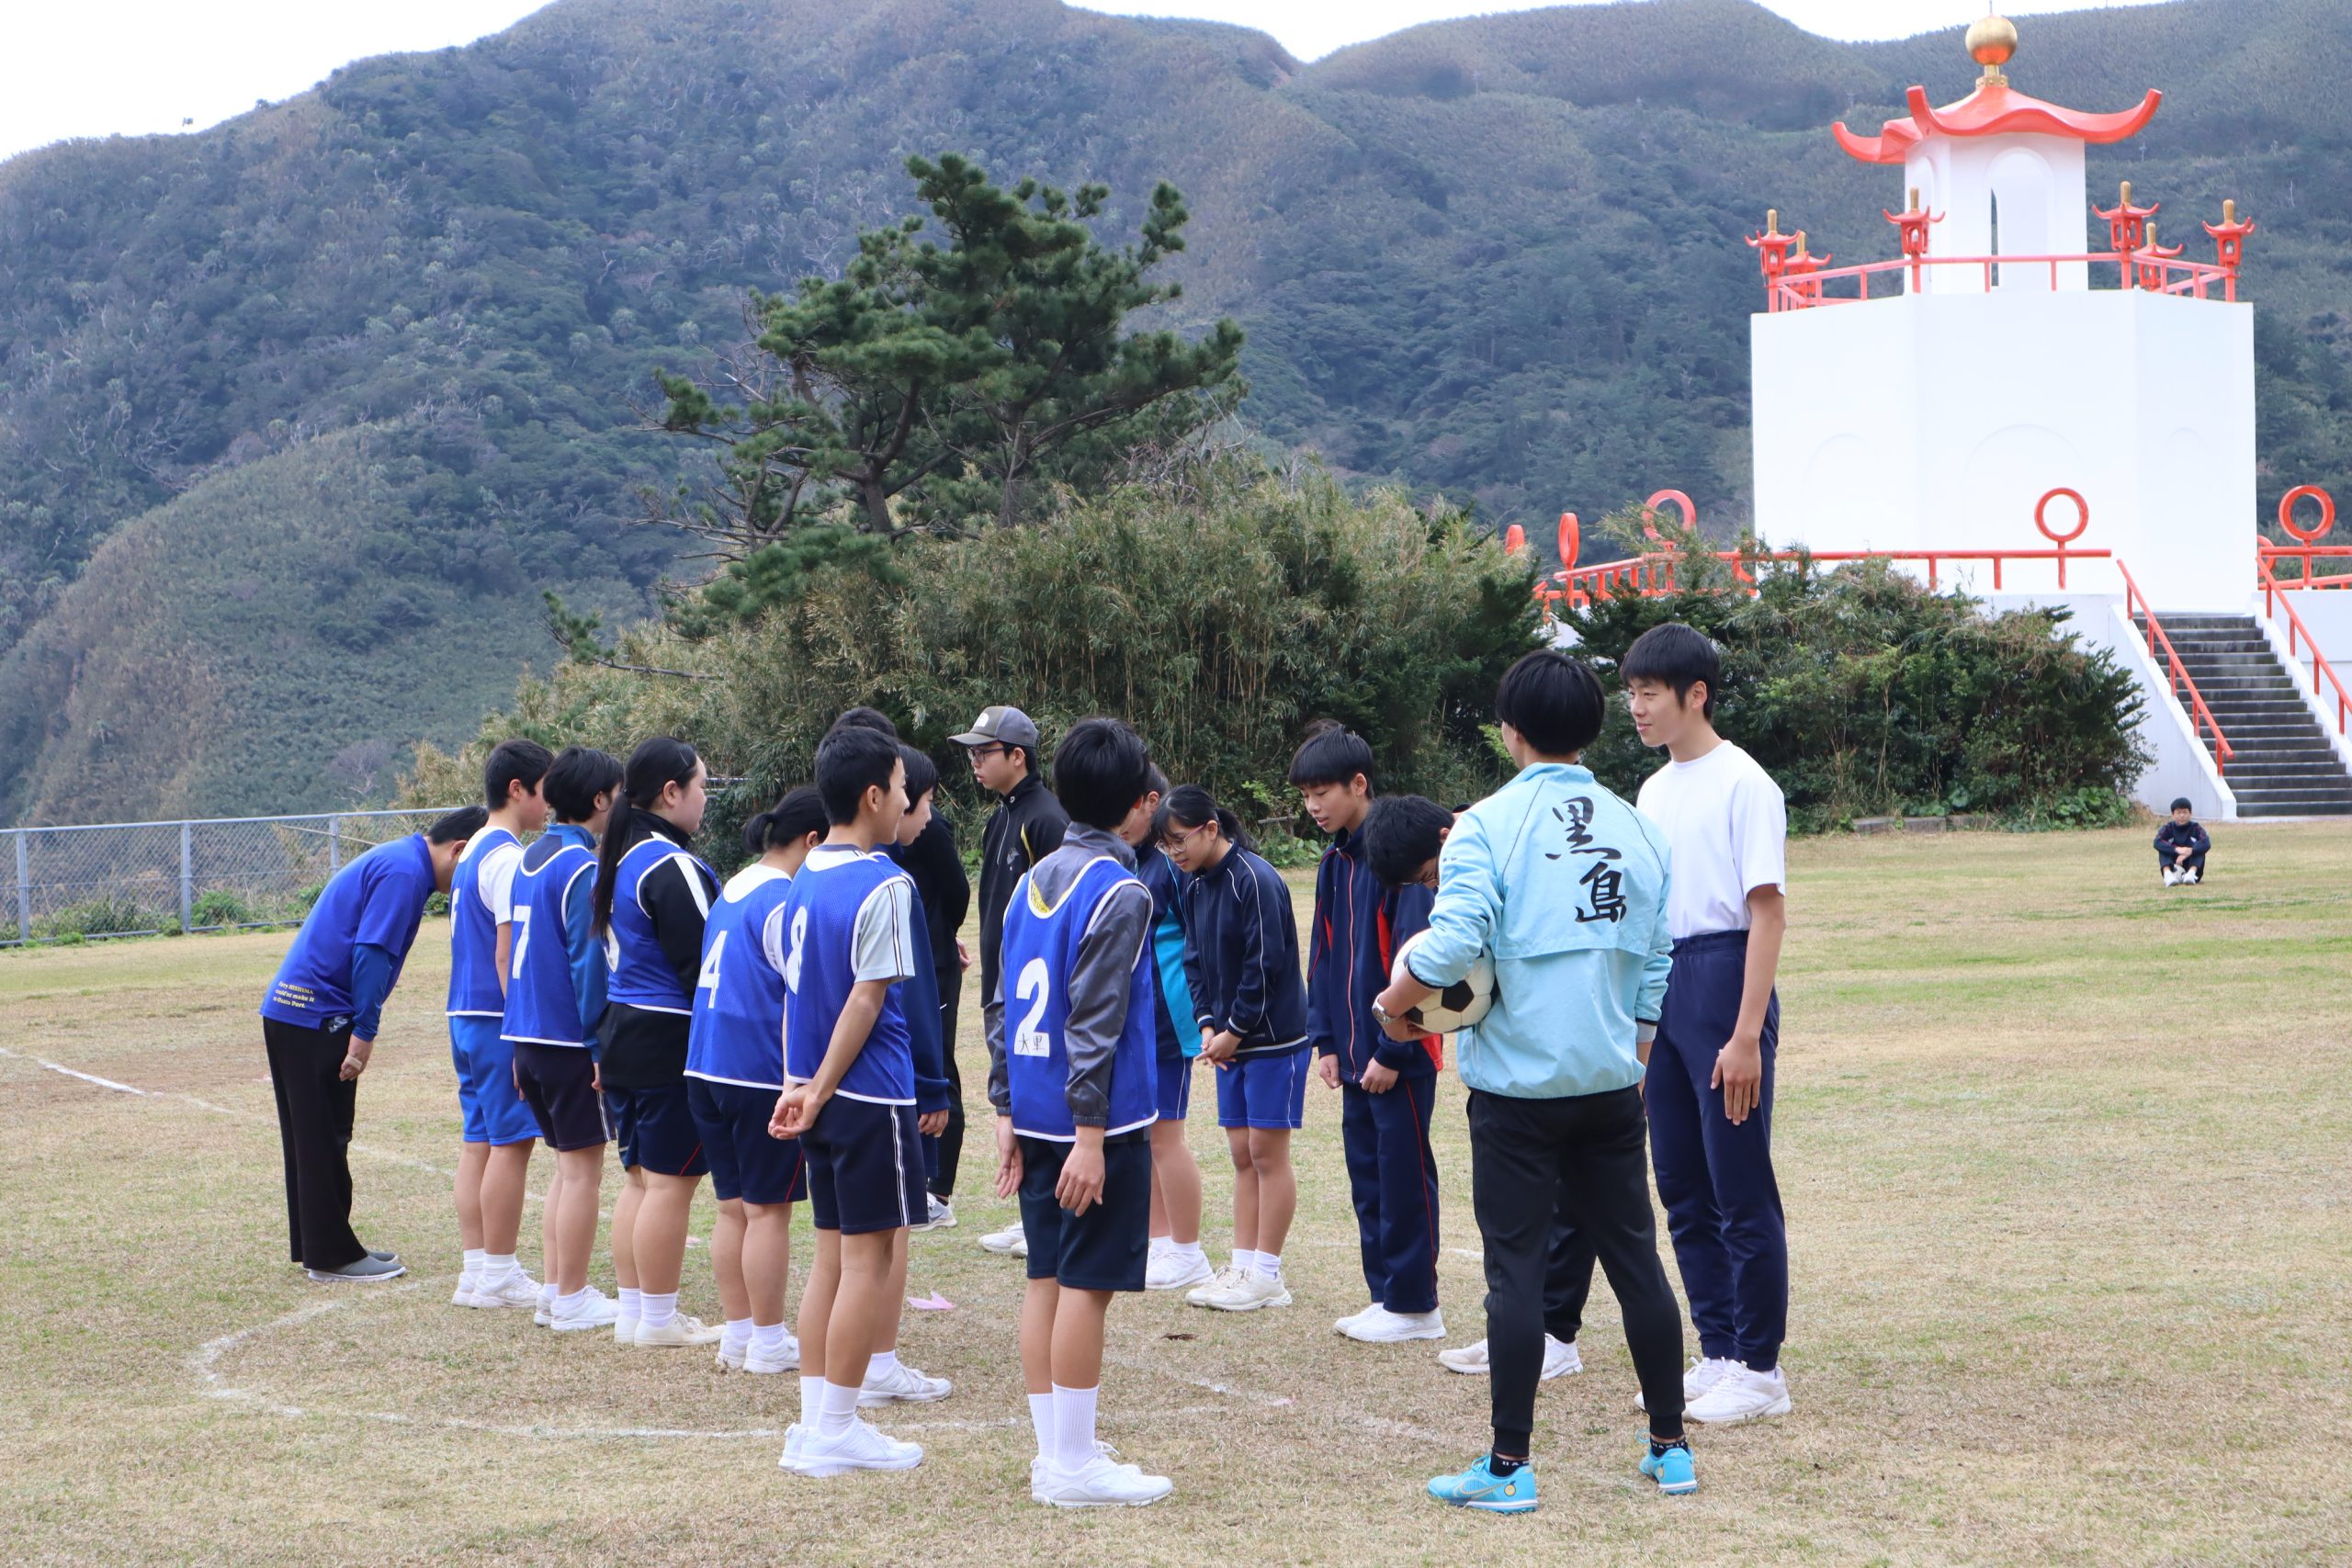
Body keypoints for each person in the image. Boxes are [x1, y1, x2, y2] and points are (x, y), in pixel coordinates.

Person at [1374, 649, 1692, 1509]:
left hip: (1516, 1093)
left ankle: (1510, 1466)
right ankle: (1671, 1448)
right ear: (1592, 725)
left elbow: (1452, 942)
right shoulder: (1638, 827)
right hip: (1608, 1084)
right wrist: (1635, 1055)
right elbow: (1657, 959)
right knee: (1637, 1261)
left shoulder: (1484, 823)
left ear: (1510, 730)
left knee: (1514, 1273)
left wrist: (1392, 1004)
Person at [988, 717, 1176, 1507]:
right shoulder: (1121, 891)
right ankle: (1070, 1466)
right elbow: (1095, 1023)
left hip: (1036, 1112)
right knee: (1084, 1288)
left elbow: (1002, 1002)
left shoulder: (1030, 880)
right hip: (1090, 1125)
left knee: (1046, 1277)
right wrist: (1092, 1140)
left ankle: (1057, 1450)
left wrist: (1005, 1107)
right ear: (1138, 803)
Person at [1625, 622, 1793, 1427]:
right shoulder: (1652, 790)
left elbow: (1768, 912)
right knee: (1682, 1184)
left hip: (1724, 980)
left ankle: (1761, 1369)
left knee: (1739, 1185)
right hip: (1665, 979)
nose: (1637, 707)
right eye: (1630, 693)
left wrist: (1745, 1033)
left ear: (1696, 694)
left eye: (1650, 693)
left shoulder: (1746, 783)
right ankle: (1719, 1348)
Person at [1363, 795, 1589, 1384]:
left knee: (1568, 1202)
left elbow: (1453, 947)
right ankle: (1516, 1331)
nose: (1434, 889)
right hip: (1502, 1060)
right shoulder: (1480, 843)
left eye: (1429, 877)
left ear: (1446, 839)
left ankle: (1556, 1335)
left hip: (1556, 1048)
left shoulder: (1506, 843)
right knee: (1508, 1210)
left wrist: (1391, 1008)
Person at [772, 727, 933, 1477]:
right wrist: (823, 1085)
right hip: (869, 1096)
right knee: (868, 1261)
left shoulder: (803, 873)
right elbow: (866, 999)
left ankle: (816, 1422)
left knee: (831, 1259)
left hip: (820, 1092)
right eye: (901, 786)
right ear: (873, 796)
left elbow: (793, 994)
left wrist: (797, 1082)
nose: (905, 799)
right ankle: (836, 1427)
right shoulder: (886, 883)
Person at [260, 806, 485, 1282]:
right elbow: (372, 954)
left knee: (314, 1137)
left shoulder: (401, 860)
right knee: (324, 1137)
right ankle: (331, 1257)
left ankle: (322, 1245)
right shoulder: (405, 873)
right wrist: (364, 1033)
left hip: (294, 1012)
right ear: (460, 850)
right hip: (317, 1014)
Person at [1294, 724, 1445, 1347]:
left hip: (1399, 1054)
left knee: (1403, 1175)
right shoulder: (1333, 863)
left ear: (1359, 784)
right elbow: (1324, 956)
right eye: (1305, 795)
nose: (1314, 806)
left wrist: (1390, 1049)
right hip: (1354, 1054)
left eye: (1323, 791)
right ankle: (1385, 1294)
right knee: (1367, 1175)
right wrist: (1326, 1041)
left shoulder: (1399, 856)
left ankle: (1416, 1304)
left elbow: (1419, 962)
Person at [589, 738, 724, 1348]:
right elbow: (708, 968)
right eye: (701, 786)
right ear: (671, 793)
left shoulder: (618, 859)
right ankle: (659, 1319)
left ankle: (635, 1312)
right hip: (665, 1036)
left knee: (640, 1180)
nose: (705, 798)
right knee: (669, 1183)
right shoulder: (668, 866)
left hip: (623, 1033)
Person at [687, 787, 827, 1376]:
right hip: (754, 1072)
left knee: (733, 1209)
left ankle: (739, 1333)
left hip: (705, 1066)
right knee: (768, 1212)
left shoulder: (734, 886)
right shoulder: (784, 899)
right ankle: (768, 1341)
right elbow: (800, 992)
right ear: (813, 842)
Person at [1164, 784, 1310, 1313]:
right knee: (1242, 1155)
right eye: (1165, 845)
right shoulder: (1194, 885)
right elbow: (1194, 959)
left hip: (1272, 1040)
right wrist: (1207, 1024)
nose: (1174, 853)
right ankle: (1242, 1266)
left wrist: (1235, 1030)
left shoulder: (1256, 878)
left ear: (1210, 828)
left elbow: (1265, 965)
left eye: (1180, 840)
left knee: (1268, 1154)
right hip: (1228, 1041)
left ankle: (1267, 1274)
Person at [503, 744, 625, 1333]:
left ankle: (555, 1291)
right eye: (618, 795)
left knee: (565, 1169)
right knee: (582, 1173)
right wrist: (600, 1044)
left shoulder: (529, 858)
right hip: (567, 1042)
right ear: (600, 800)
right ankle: (572, 1297)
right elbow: (587, 961)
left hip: (527, 1039)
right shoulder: (582, 868)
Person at [953, 704, 1068, 1257]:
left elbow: (1058, 909)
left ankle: (1048, 1210)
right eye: (972, 753)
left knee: (1037, 1091)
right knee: (1013, 1094)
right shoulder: (1001, 817)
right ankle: (1032, 1211)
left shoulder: (1045, 818)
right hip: (1000, 983)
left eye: (984, 752)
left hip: (1032, 986)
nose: (975, 762)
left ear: (1017, 756)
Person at [446, 739, 553, 1312]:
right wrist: (521, 1032)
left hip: (464, 1014)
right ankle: (500, 1273)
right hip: (495, 1019)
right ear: (518, 789)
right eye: (545, 790)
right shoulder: (509, 858)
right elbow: (507, 953)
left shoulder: (469, 853)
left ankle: (476, 1271)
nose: (549, 803)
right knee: (512, 1144)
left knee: (479, 1142)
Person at [1130, 767, 1208, 1292]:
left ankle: (1188, 1250)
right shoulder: (1129, 859)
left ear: (1150, 802)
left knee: (1166, 1136)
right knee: (1143, 1137)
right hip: (1134, 1018)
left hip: (1167, 1018)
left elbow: (1197, 940)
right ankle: (1159, 1243)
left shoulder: (1172, 867)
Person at [2156, 798, 2209, 886]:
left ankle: (2190, 875)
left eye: (2185, 812)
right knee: (2163, 848)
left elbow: (2206, 843)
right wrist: (2177, 849)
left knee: (2200, 848)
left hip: (2193, 869)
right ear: (2173, 814)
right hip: (2173, 866)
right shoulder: (2168, 828)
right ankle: (2168, 876)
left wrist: (2190, 851)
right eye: (2178, 812)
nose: (2182, 815)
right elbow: (2157, 842)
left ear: (2190, 813)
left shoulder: (2196, 828)